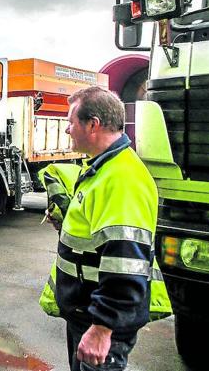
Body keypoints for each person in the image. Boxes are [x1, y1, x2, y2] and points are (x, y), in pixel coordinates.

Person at [45, 86, 158, 371]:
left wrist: (102, 327)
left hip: (98, 323)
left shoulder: (121, 179)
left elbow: (126, 262)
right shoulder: (103, 168)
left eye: (72, 122)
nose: (68, 130)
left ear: (93, 124)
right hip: (87, 313)